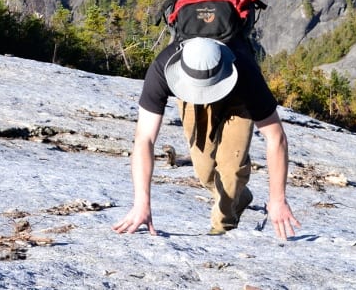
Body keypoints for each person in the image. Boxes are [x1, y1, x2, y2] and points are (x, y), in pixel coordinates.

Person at [112, 37, 301, 239]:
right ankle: (240, 196)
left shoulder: (245, 70)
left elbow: (276, 137)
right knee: (205, 170)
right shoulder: (162, 67)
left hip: (238, 96)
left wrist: (277, 199)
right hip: (189, 95)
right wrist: (141, 204)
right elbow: (144, 138)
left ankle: (222, 229)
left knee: (231, 170)